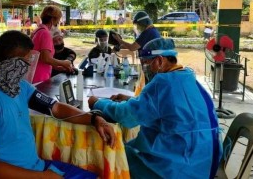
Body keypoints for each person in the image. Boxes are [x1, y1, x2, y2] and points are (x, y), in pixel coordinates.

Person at [0, 30, 116, 178]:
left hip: (37, 168)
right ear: (14, 64)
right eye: (28, 60)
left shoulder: (20, 87)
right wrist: (42, 177)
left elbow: (55, 108)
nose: (29, 66)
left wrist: (94, 119)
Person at [88, 37, 222, 179]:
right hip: (205, 162)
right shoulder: (187, 76)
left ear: (159, 61)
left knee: (112, 153)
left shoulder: (163, 82)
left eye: (146, 64)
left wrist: (97, 103)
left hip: (178, 167)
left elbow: (126, 116)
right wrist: (134, 100)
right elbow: (168, 106)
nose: (145, 69)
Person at [31, 5, 73, 83]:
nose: (58, 23)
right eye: (58, 20)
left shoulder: (37, 31)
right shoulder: (45, 33)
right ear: (52, 20)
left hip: (33, 74)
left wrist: (56, 67)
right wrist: (64, 63)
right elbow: (45, 58)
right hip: (40, 77)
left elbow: (39, 57)